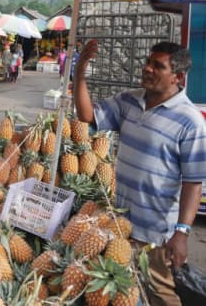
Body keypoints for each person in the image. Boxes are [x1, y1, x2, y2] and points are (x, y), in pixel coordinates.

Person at [74, 40, 205, 306]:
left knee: (161, 295)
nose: (147, 68)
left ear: (177, 77)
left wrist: (182, 232)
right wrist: (79, 72)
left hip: (158, 234)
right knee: (125, 294)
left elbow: (193, 183)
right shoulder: (128, 101)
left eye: (158, 66)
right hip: (122, 226)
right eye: (148, 62)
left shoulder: (190, 121)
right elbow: (87, 115)